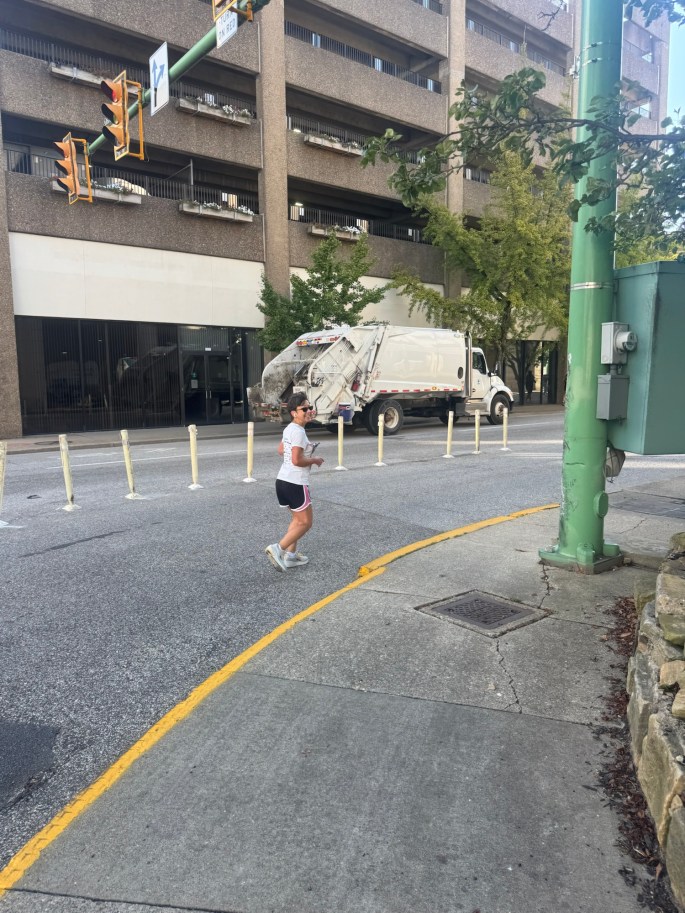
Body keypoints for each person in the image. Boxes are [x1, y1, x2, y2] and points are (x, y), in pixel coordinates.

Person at [265, 392, 324, 571]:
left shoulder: (289, 429)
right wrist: (314, 460)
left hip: (283, 480)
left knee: (297, 520)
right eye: (304, 409)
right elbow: (297, 460)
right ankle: (278, 548)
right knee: (306, 523)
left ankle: (291, 556)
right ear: (293, 413)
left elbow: (281, 449)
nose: (308, 411)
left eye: (310, 407)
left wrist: (303, 451)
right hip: (296, 483)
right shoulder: (298, 431)